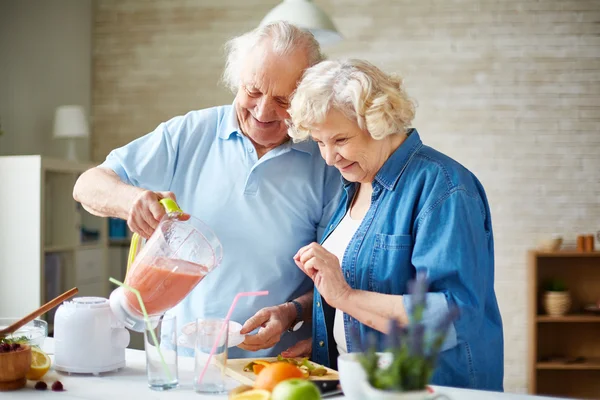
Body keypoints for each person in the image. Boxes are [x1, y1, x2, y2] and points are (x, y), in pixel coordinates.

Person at [73, 22, 341, 358]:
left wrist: (294, 312)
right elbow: (87, 185)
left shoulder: (326, 162)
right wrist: (131, 201)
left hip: (270, 368)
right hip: (179, 361)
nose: (263, 111)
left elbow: (338, 272)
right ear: (237, 80)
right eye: (253, 91)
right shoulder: (190, 133)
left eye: (283, 100)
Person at [283, 59, 504, 390]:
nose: (329, 157)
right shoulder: (354, 185)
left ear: (380, 123)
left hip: (432, 390)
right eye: (319, 142)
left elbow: (452, 316)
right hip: (367, 387)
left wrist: (344, 295)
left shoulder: (444, 187)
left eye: (340, 140)